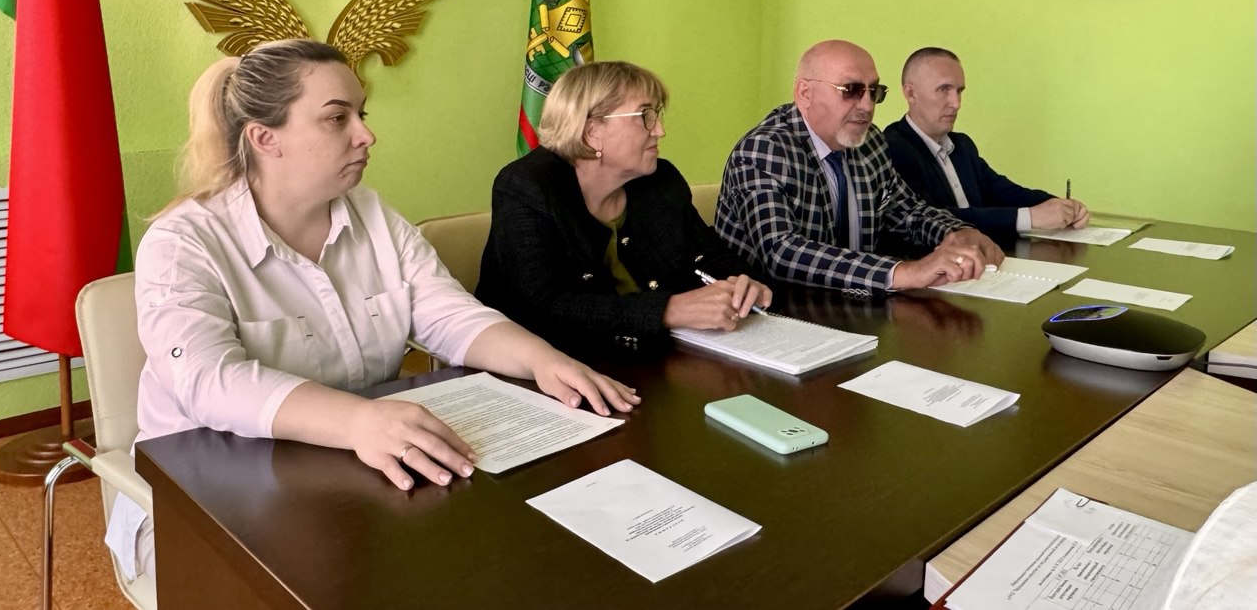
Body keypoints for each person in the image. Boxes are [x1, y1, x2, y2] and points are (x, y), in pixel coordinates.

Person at [106, 39, 637, 581]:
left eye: (362, 114)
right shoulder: (183, 242)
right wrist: (357, 419)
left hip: (352, 480)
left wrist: (541, 359)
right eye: (337, 118)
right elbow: (208, 381)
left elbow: (449, 314)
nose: (366, 135)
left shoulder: (372, 214)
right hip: (208, 501)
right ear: (265, 138)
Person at [476, 61, 771, 356]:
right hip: (542, 362)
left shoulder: (661, 181)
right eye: (645, 116)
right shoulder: (526, 186)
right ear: (592, 131)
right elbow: (543, 305)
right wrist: (668, 310)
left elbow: (710, 255)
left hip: (648, 356)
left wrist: (742, 284)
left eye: (657, 115)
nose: (660, 130)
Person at [715, 40, 1004, 296]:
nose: (867, 105)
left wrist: (956, 232)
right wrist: (904, 272)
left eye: (873, 91)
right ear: (805, 93)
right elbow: (782, 252)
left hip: (853, 305)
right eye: (851, 90)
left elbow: (907, 212)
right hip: (775, 313)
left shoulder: (870, 142)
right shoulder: (765, 149)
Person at [883, 47, 1089, 235]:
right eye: (943, 89)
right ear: (911, 93)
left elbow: (1002, 191)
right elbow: (929, 218)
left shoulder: (962, 145)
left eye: (959, 91)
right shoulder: (892, 148)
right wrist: (1030, 217)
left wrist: (1060, 206)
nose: (956, 103)